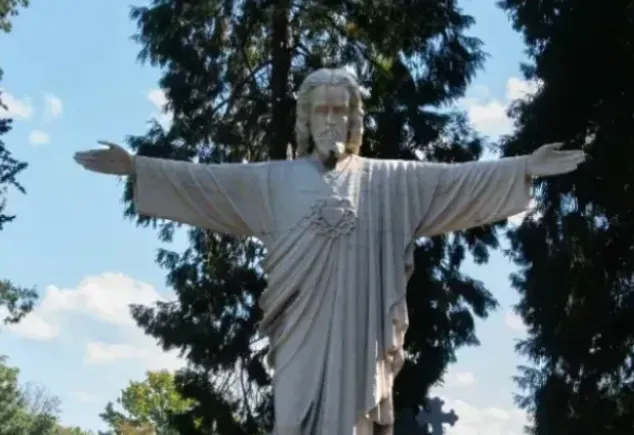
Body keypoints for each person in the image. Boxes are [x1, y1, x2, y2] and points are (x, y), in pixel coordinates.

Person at [74, 68, 585, 435]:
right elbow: (208, 183)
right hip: (299, 331)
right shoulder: (273, 181)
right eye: (322, 110)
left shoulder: (390, 182)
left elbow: (458, 183)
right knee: (291, 419)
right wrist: (138, 168)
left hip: (360, 336)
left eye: (341, 110)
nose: (331, 120)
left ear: (354, 118)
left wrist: (523, 168)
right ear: (306, 116)